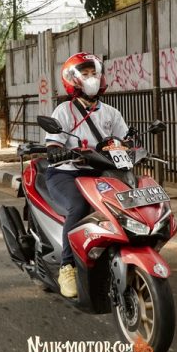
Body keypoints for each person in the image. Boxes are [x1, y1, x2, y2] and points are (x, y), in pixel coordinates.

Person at [44, 52, 129, 298]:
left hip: (101, 172)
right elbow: (53, 144)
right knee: (79, 207)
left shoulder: (111, 113)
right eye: (85, 73)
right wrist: (59, 152)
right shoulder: (63, 111)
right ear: (73, 79)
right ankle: (67, 267)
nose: (91, 78)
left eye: (94, 73)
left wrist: (131, 147)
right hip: (66, 173)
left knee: (125, 205)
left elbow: (124, 141)